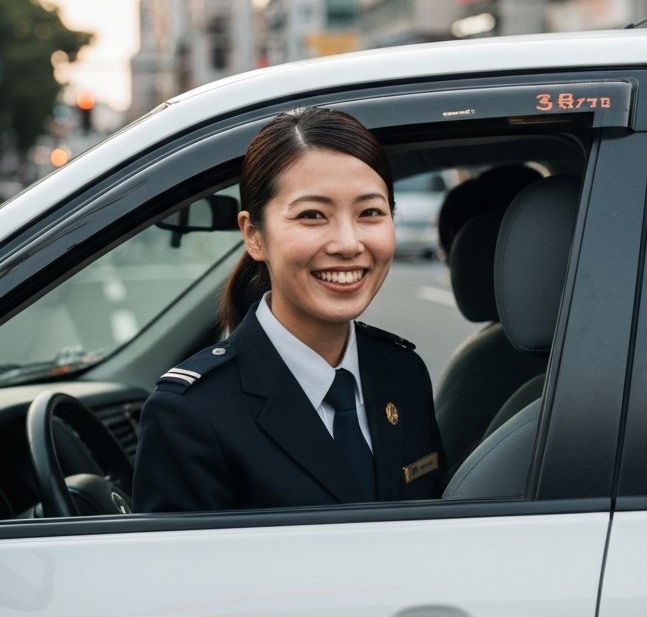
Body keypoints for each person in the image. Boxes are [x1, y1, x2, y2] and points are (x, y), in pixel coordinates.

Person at [133, 107, 445, 512]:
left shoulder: (402, 373)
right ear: (253, 235)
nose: (348, 244)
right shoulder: (191, 414)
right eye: (312, 215)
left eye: (370, 212)